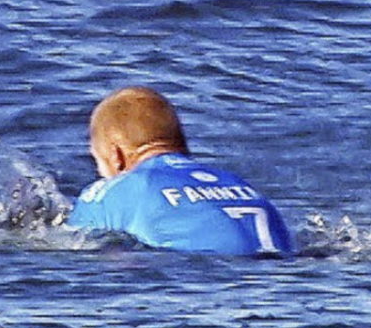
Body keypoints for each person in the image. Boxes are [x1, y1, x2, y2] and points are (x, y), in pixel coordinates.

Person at [69, 86, 293, 255]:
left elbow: (72, 245)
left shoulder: (117, 190)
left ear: (116, 156)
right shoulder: (237, 184)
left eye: (97, 160)